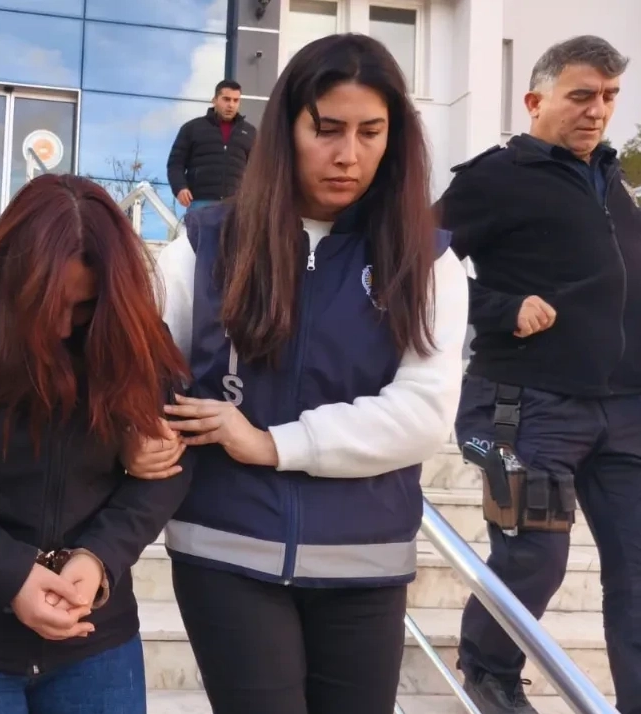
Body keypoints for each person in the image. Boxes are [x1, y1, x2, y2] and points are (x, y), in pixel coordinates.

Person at [155, 34, 468, 714]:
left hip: (367, 557)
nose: (348, 154)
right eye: (326, 129)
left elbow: (423, 412)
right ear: (287, 130)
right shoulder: (204, 245)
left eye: (370, 132)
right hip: (226, 548)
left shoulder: (427, 260)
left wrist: (272, 443)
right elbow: (146, 374)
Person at [0, 173, 191, 714]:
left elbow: (173, 464)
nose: (64, 329)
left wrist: (100, 558)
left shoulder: (132, 330)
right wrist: (11, 573)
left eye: (85, 308)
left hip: (96, 642)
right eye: (48, 306)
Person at [438, 35, 639, 714]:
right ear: (534, 100)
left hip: (624, 414)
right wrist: (499, 308)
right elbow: (405, 268)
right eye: (581, 96)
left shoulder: (612, 181)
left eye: (609, 96)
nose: (597, 111)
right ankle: (488, 667)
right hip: (518, 410)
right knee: (534, 557)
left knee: (638, 576)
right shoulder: (494, 177)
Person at [167, 79, 256, 211]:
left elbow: (257, 169)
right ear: (214, 100)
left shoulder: (250, 132)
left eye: (235, 100)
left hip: (236, 205)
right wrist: (180, 188)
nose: (231, 105)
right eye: (226, 99)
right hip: (200, 203)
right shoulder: (192, 128)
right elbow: (175, 163)